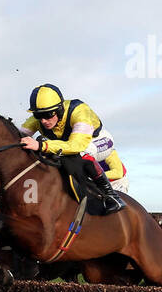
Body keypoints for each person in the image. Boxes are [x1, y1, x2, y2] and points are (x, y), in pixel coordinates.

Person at [18, 84, 126, 213]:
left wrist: (41, 145)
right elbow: (17, 137)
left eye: (48, 115)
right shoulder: (41, 119)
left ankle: (112, 196)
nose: (43, 121)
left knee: (80, 153)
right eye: (38, 115)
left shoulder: (80, 111)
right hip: (71, 144)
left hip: (98, 141)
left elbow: (76, 145)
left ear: (59, 110)